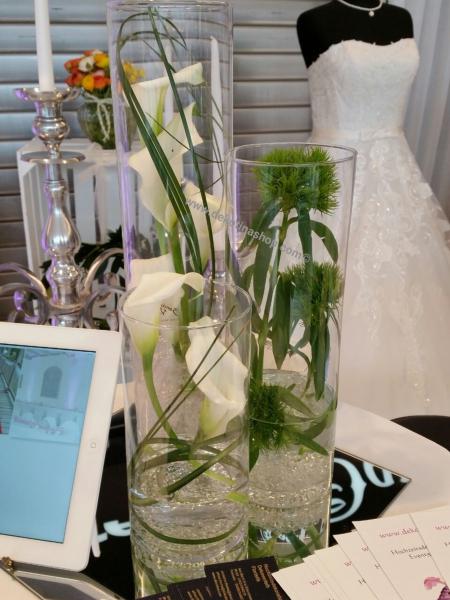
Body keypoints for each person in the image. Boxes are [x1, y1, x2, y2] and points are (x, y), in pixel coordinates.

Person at [297, 0, 450, 419]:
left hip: (398, 172)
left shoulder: (402, 18)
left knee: (415, 293)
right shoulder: (313, 21)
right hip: (333, 169)